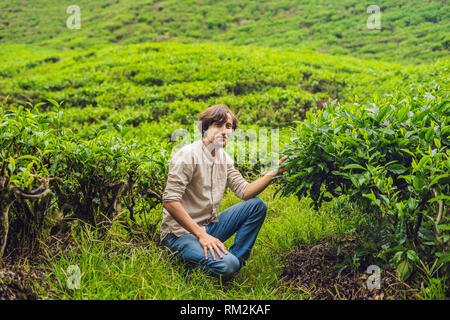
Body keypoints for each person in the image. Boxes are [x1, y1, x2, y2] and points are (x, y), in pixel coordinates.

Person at [160, 104, 289, 280]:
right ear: (205, 128)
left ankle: (233, 262)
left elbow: (245, 192)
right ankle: (195, 266)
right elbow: (170, 201)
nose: (224, 131)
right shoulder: (188, 155)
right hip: (178, 235)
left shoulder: (224, 159)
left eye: (228, 127)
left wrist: (273, 171)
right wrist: (201, 235)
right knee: (227, 265)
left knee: (256, 206)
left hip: (207, 227)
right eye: (218, 125)